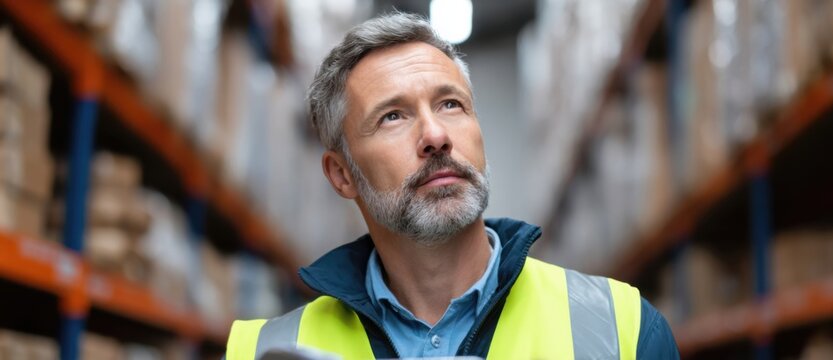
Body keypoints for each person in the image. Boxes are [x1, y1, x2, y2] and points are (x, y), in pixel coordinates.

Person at [226, 12, 679, 360]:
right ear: (342, 174)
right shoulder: (263, 351)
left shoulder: (622, 329)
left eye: (450, 104)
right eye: (393, 116)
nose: (436, 136)